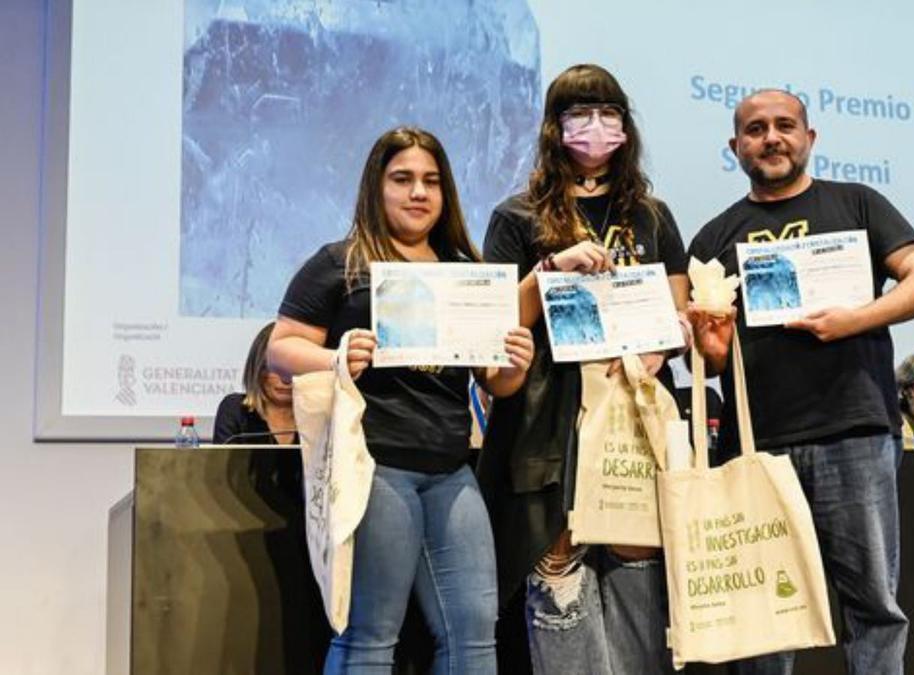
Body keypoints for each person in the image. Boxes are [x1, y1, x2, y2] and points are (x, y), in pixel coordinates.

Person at [688, 89, 914, 675]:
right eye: (755, 129)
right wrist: (712, 349)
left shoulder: (858, 204)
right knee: (762, 615)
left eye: (784, 125)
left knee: (873, 609)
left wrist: (855, 318)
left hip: (854, 431)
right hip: (758, 447)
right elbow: (714, 357)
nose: (771, 138)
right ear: (735, 147)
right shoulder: (714, 237)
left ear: (810, 138)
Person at [267, 127, 535, 674]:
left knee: (475, 633)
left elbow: (494, 382)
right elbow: (280, 348)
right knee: (370, 633)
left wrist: (513, 365)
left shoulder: (467, 273)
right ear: (376, 187)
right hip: (376, 465)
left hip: (451, 469)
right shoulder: (342, 263)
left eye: (431, 182)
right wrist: (337, 356)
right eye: (403, 179)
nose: (419, 193)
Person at [477, 64, 689, 675]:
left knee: (637, 574)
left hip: (636, 416)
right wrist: (550, 271)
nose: (595, 127)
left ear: (626, 127)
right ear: (553, 128)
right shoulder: (518, 217)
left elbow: (676, 313)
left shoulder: (652, 215)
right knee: (558, 573)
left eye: (608, 114)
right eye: (579, 114)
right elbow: (493, 323)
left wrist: (667, 341)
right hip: (547, 422)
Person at [214, 321, 296, 445]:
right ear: (257, 369)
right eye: (275, 368)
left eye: (293, 369)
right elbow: (223, 464)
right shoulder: (236, 411)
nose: (285, 379)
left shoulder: (319, 417)